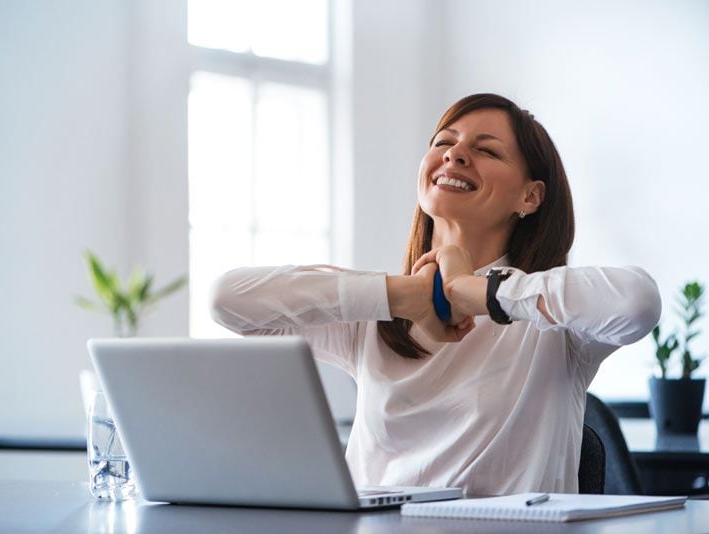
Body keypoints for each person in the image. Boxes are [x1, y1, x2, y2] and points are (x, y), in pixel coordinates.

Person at [210, 93, 661, 496]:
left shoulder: (554, 326)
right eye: (444, 142)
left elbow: (635, 303)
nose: (456, 154)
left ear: (530, 197)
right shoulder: (376, 311)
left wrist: (475, 292)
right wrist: (400, 295)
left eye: (486, 150)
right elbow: (228, 302)